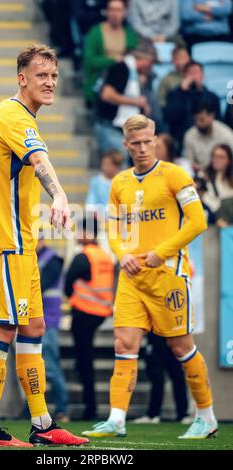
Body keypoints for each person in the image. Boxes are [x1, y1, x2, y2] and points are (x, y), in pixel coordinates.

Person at [0, 44, 88, 448]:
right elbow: (40, 161)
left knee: (34, 327)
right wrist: (58, 195)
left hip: (21, 245)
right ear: (23, 78)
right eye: (41, 75)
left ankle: (42, 424)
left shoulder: (22, 118)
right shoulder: (12, 115)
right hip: (4, 242)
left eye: (54, 75)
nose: (50, 82)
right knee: (2, 328)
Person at [83, 114, 217, 440]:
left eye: (148, 142)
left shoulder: (175, 176)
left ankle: (207, 417)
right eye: (136, 144)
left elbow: (197, 222)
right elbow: (113, 227)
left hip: (168, 275)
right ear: (126, 145)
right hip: (132, 277)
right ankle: (117, 418)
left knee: (180, 346)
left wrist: (163, 251)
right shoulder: (119, 183)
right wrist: (121, 253)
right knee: (124, 344)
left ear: (155, 140)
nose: (143, 148)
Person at [65, 216, 115, 420]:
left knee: (84, 362)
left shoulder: (82, 257)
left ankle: (90, 409)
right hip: (101, 314)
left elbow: (67, 285)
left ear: (87, 233)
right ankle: (91, 407)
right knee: (86, 360)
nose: (76, 235)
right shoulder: (105, 256)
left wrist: (73, 298)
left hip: (84, 313)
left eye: (79, 230)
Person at [94, 41, 162, 156]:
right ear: (144, 59)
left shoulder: (135, 75)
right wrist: (136, 102)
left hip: (121, 131)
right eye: (151, 63)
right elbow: (107, 95)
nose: (151, 67)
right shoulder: (122, 68)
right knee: (120, 166)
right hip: (110, 128)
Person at [36, 234, 69, 422]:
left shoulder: (52, 259)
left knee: (51, 367)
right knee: (36, 366)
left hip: (48, 320)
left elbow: (40, 285)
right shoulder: (39, 258)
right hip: (38, 321)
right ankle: (33, 409)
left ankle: (62, 409)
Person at [83, 0, 137, 106]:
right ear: (106, 12)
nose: (115, 13)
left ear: (124, 12)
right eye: (111, 9)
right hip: (101, 80)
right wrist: (112, 60)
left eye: (118, 10)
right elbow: (89, 61)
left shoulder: (130, 35)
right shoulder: (95, 33)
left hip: (125, 81)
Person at [132, 332, 190, 424]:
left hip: (174, 333)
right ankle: (153, 414)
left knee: (177, 375)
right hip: (157, 334)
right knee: (156, 376)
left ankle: (183, 414)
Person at [165, 61, 221, 150]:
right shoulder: (174, 95)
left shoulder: (212, 97)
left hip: (206, 140)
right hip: (180, 140)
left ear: (202, 76)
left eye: (196, 73)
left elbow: (217, 122)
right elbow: (170, 117)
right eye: (190, 73)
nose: (193, 77)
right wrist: (182, 92)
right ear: (184, 76)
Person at [184, 102, 233, 173]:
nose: (199, 124)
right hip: (201, 176)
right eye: (196, 120)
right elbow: (189, 163)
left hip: (225, 175)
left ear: (211, 117)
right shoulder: (189, 136)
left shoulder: (226, 135)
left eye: (202, 120)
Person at [86, 150, 124, 218]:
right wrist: (98, 217)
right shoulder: (96, 182)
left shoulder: (123, 181)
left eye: (108, 165)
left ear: (116, 167)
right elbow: (91, 203)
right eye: (103, 164)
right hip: (100, 221)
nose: (104, 167)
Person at [202, 144, 233, 213]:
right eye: (214, 156)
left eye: (221, 157)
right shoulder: (203, 176)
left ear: (229, 160)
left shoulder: (230, 178)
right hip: (211, 215)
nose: (216, 160)